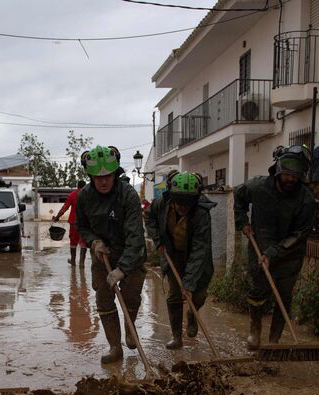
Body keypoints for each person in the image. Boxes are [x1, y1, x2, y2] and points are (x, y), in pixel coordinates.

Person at [234, 145, 316, 350]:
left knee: (284, 295)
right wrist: (242, 221)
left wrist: (274, 253)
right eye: (287, 174)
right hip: (259, 245)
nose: (290, 179)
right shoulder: (258, 187)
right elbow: (239, 196)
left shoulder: (306, 200)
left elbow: (300, 234)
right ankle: (254, 330)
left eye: (295, 175)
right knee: (258, 290)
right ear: (278, 169)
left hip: (290, 252)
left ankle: (274, 341)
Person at [75, 145, 146, 364]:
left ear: (116, 174)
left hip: (131, 255)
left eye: (107, 176)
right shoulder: (84, 196)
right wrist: (93, 241)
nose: (103, 181)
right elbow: (81, 225)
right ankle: (115, 347)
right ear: (91, 176)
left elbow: (136, 236)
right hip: (102, 255)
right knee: (104, 300)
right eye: (98, 177)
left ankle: (130, 327)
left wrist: (122, 269)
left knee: (131, 297)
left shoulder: (128, 195)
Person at [145, 171, 215, 349]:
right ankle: (177, 337)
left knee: (197, 296)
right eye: (179, 201)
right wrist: (158, 241)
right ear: (172, 196)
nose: (183, 206)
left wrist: (189, 283)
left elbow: (200, 250)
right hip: (173, 254)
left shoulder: (201, 214)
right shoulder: (162, 203)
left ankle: (192, 313)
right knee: (175, 296)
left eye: (188, 202)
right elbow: (149, 217)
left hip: (197, 258)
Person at [53, 179, 87, 267]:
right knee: (83, 243)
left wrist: (57, 217)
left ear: (77, 186)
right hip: (86, 224)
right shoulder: (89, 195)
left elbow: (65, 208)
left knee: (73, 242)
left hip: (74, 222)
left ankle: (73, 261)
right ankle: (82, 263)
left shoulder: (72, 195)